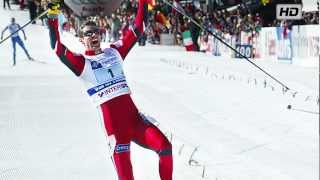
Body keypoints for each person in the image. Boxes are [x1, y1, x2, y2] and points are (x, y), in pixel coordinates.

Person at [47, 0, 173, 180]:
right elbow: (57, 48)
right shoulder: (83, 64)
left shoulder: (114, 52)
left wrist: (143, 2)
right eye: (88, 33)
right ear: (82, 40)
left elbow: (138, 27)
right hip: (116, 132)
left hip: (135, 122)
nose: (93, 35)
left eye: (96, 31)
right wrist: (52, 15)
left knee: (165, 148)